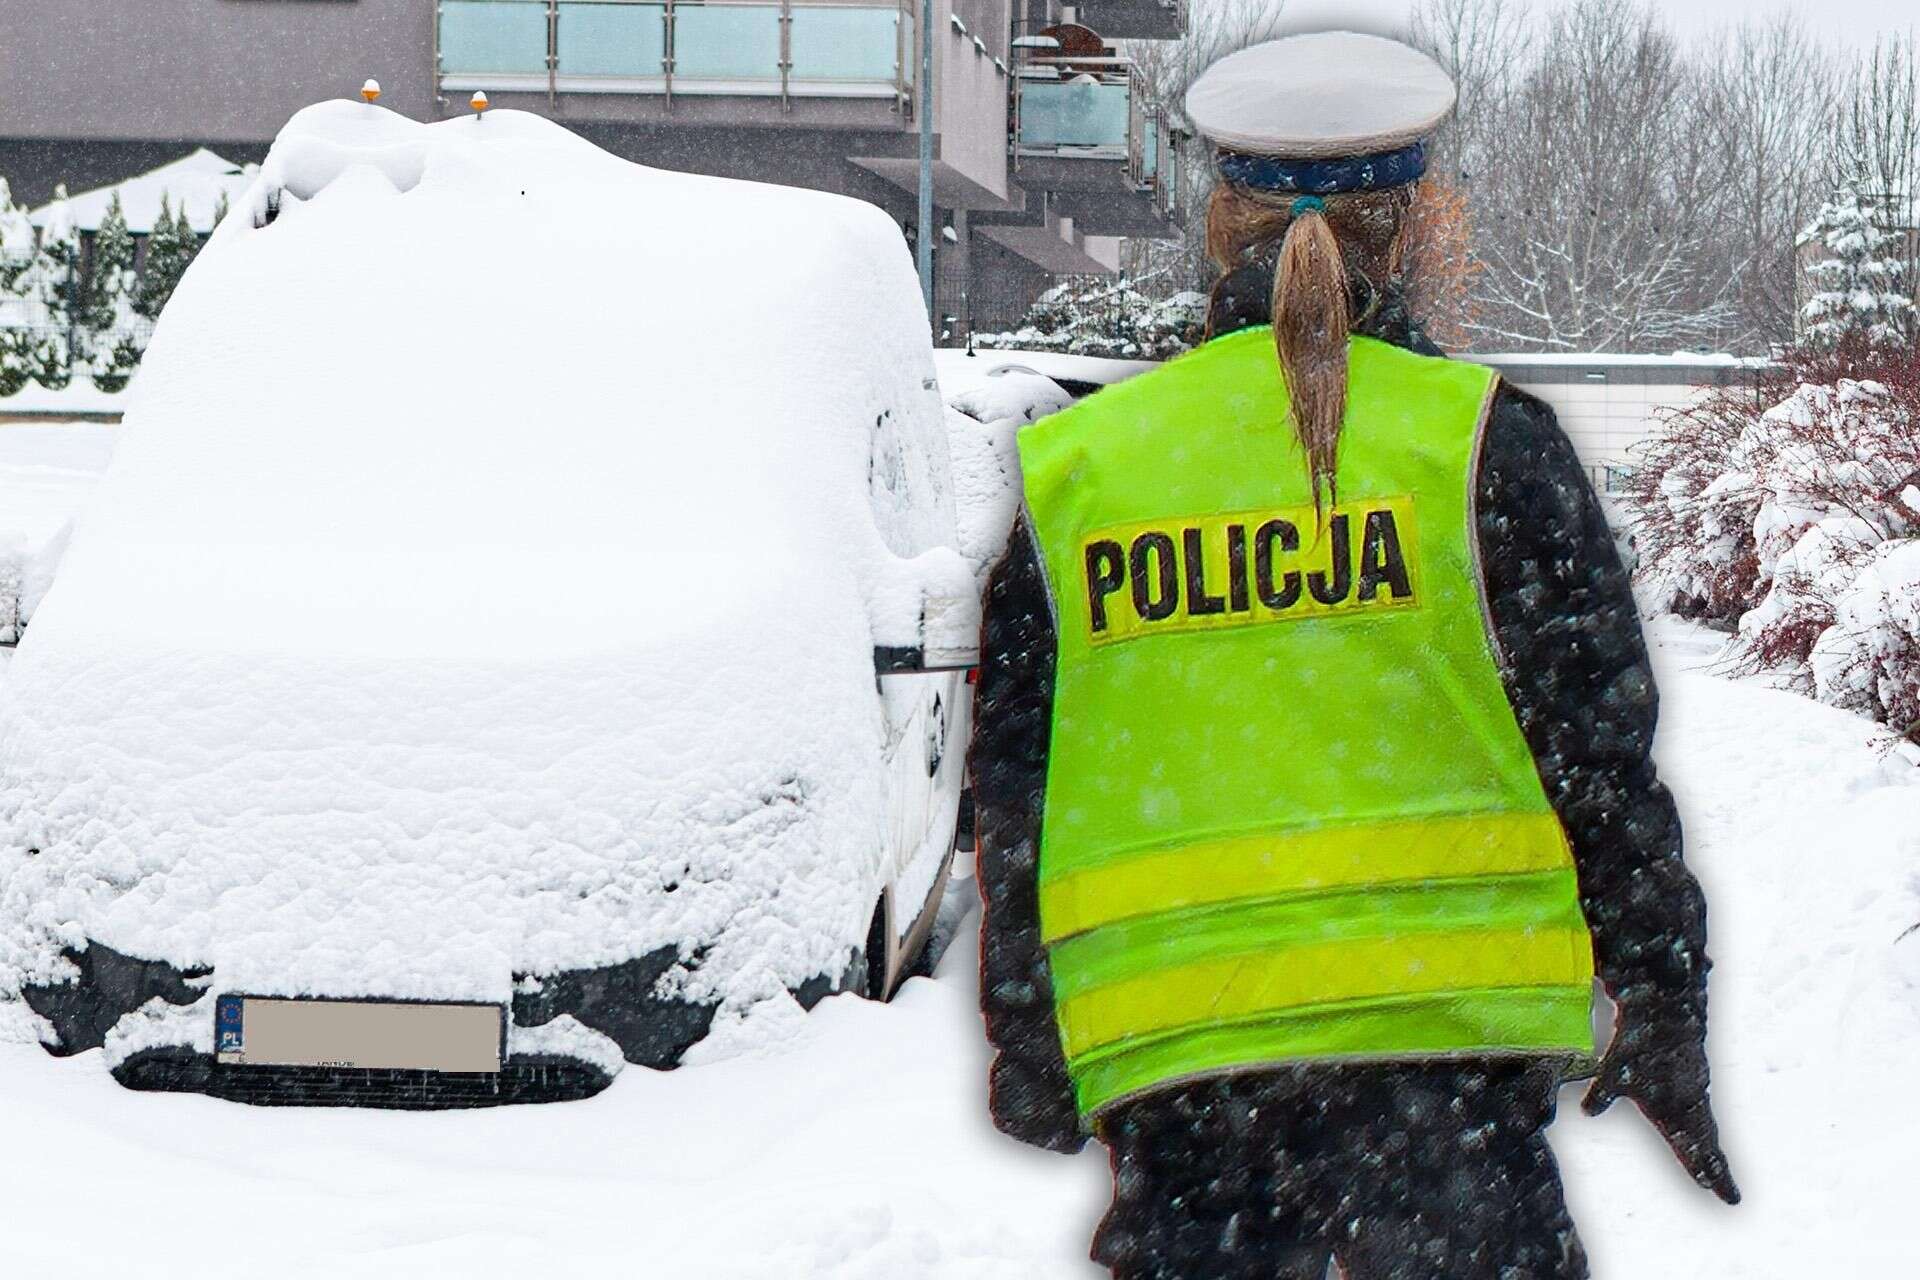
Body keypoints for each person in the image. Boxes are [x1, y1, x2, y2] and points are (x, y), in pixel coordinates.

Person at [969, 30, 1738, 1280]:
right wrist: (1661, 998)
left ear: (1218, 222)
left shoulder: (1087, 474)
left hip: (1185, 1085)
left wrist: (1026, 1020)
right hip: (1447, 1087)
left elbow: (1014, 782)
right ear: (1420, 223)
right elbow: (1600, 765)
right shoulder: (1486, 450)